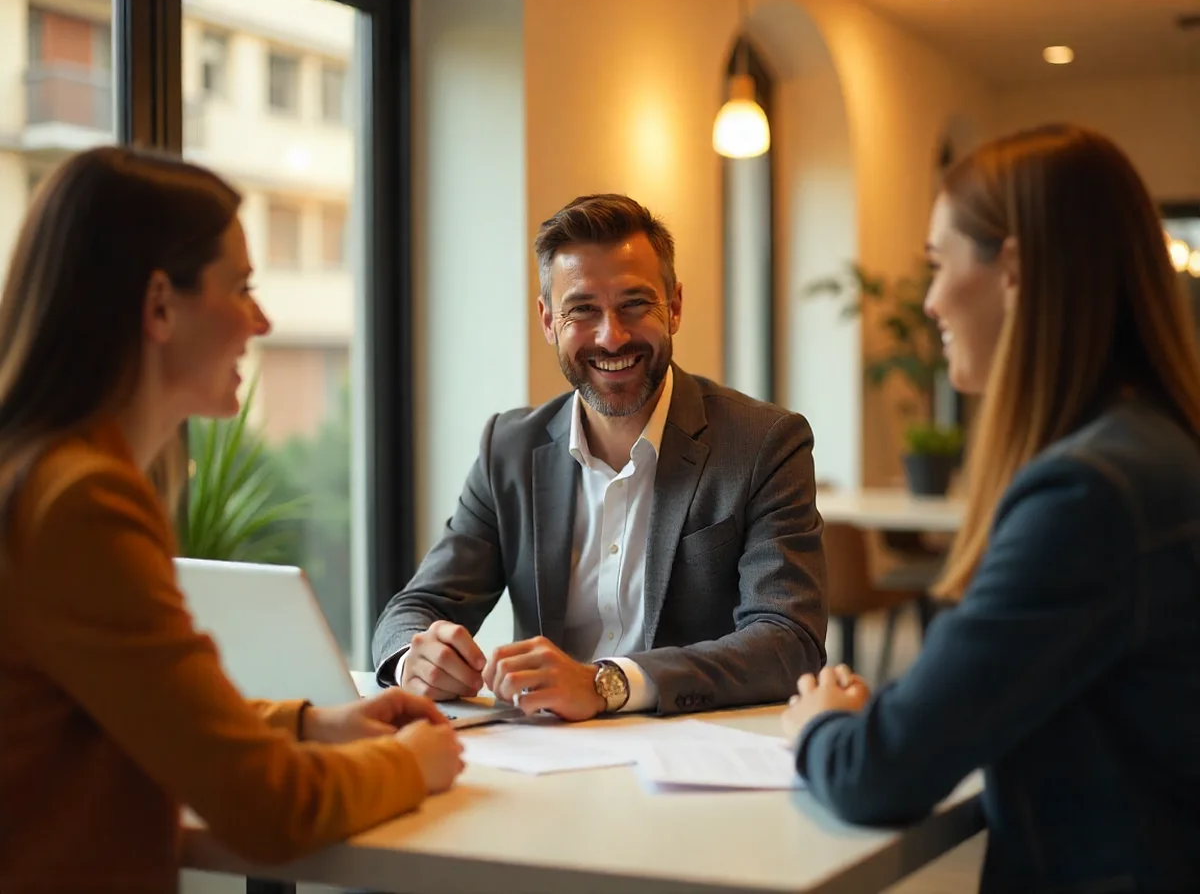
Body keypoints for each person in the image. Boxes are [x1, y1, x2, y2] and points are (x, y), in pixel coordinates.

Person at [0, 147, 464, 894]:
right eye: (241, 287)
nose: (262, 318)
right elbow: (267, 808)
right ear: (159, 305)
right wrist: (411, 764)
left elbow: (141, 706)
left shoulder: (37, 476)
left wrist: (315, 725)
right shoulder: (83, 503)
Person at [783, 125, 1200, 893]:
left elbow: (881, 772)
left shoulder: (1087, 496)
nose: (932, 300)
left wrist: (818, 729)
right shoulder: (1153, 452)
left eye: (939, 265)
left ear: (1013, 268)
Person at [373, 193, 827, 719]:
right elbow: (414, 608)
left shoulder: (765, 443)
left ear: (674, 306)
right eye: (582, 310)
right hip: (546, 763)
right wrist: (415, 658)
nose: (612, 337)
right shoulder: (509, 449)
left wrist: (607, 684)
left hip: (694, 757)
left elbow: (788, 640)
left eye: (634, 305)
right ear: (548, 321)